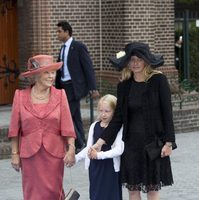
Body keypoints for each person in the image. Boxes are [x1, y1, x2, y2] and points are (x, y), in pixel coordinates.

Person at [89, 42, 177, 200]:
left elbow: (167, 113)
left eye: (139, 59)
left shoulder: (159, 80)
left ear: (146, 60)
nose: (135, 63)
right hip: (131, 145)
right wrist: (100, 142)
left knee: (152, 190)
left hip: (154, 143)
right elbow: (118, 119)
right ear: (127, 62)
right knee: (133, 190)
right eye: (131, 60)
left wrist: (169, 143)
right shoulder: (124, 85)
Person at [8, 55, 76, 200]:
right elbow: (14, 129)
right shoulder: (20, 96)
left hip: (54, 155)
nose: (52, 76)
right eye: (47, 72)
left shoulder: (60, 95)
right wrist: (15, 154)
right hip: (30, 156)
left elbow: (67, 126)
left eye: (53, 72)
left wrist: (71, 149)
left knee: (54, 192)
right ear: (36, 75)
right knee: (32, 193)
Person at [55, 20, 99, 151]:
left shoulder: (78, 46)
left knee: (66, 115)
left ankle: (79, 144)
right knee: (75, 116)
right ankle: (83, 143)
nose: (57, 34)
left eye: (59, 31)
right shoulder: (62, 48)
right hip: (63, 86)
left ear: (67, 32)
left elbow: (88, 67)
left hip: (74, 88)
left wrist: (93, 87)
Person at [76, 94, 124, 200]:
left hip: (110, 168)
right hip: (95, 168)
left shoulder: (118, 128)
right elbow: (89, 147)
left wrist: (99, 155)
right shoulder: (94, 126)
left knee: (111, 195)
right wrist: (76, 157)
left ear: (115, 112)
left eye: (107, 111)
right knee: (96, 195)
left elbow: (119, 149)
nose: (103, 114)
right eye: (101, 111)